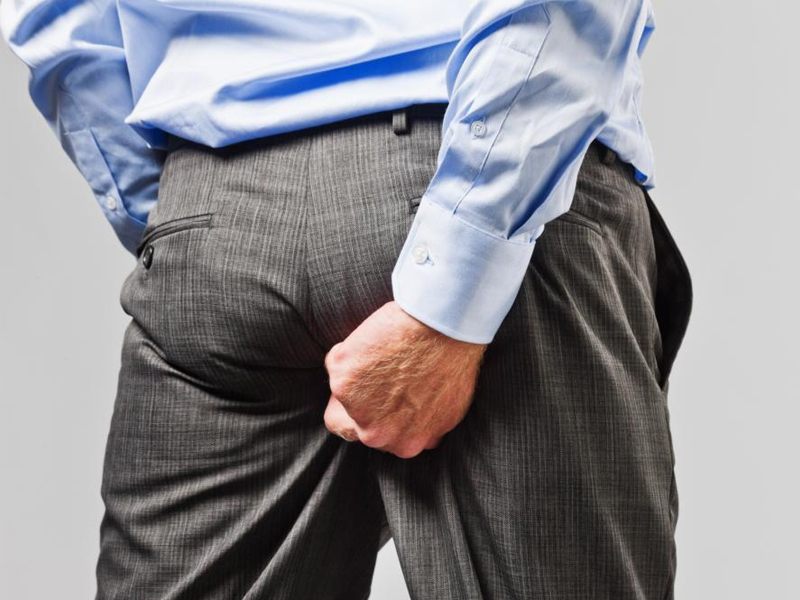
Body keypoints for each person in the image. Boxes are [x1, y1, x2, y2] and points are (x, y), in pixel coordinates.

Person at [2, 0, 693, 598]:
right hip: (481, 174)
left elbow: (57, 17)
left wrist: (178, 217)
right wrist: (466, 260)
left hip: (214, 208)